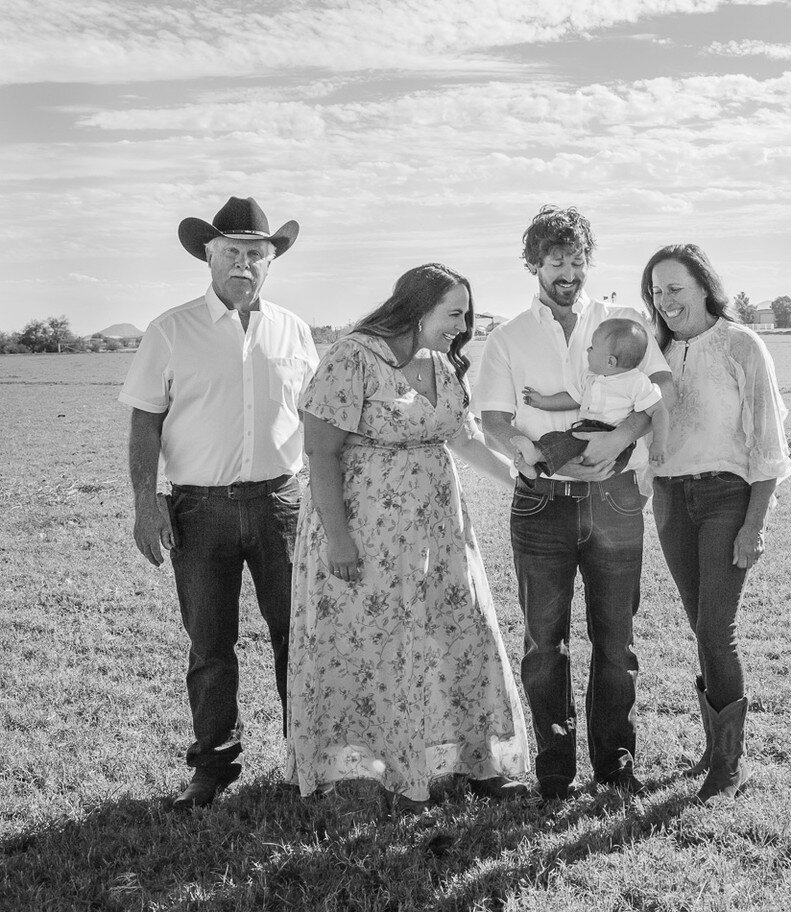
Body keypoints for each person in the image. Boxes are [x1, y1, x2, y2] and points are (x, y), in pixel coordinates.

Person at [287, 263, 530, 809]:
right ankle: (377, 766)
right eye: (454, 314)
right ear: (418, 308)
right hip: (365, 531)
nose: (462, 326)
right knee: (376, 643)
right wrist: (339, 541)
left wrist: (522, 481)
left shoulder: (442, 363)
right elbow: (321, 453)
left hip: (440, 534)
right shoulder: (353, 356)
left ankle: (477, 759)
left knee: (462, 631)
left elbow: (463, 440)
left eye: (467, 314)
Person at [120, 196, 317, 810]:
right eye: (231, 252)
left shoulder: (293, 329)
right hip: (198, 509)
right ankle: (212, 768)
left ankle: (305, 758)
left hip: (280, 505)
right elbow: (145, 421)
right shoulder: (170, 330)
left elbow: (316, 418)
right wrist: (145, 504)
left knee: (297, 636)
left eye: (256, 253)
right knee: (210, 644)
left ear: (271, 261)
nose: (244, 263)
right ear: (208, 255)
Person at [477, 205, 674, 801]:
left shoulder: (621, 322)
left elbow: (660, 390)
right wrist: (523, 450)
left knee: (617, 639)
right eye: (556, 260)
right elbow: (491, 418)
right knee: (544, 642)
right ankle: (555, 769)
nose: (568, 270)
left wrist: (621, 435)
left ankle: (614, 764)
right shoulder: (508, 337)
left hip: (614, 502)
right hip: (543, 504)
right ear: (534, 263)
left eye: (577, 258)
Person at [643, 243, 791, 802]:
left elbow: (769, 444)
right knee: (698, 622)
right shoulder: (652, 351)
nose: (665, 300)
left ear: (705, 286)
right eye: (656, 291)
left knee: (715, 629)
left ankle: (731, 763)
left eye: (675, 288)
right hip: (670, 501)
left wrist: (754, 525)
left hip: (727, 497)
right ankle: (714, 748)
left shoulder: (741, 345)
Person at [520, 315, 669, 479]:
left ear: (610, 362)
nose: (587, 350)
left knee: (566, 442)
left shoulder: (637, 382)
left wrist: (658, 443)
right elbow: (573, 399)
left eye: (592, 347)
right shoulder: (590, 377)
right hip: (585, 430)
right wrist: (543, 401)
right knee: (558, 440)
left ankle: (535, 455)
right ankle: (535, 467)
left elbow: (659, 411)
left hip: (614, 441)